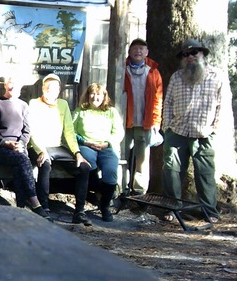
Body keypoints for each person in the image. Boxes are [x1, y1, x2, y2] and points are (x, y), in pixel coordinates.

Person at [162, 39, 225, 222]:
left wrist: (214, 129)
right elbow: (168, 103)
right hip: (177, 132)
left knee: (205, 174)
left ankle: (209, 212)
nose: (189, 57)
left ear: (202, 53)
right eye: (185, 54)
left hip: (204, 133)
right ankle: (172, 210)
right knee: (171, 171)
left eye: (193, 52)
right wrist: (167, 127)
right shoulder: (177, 77)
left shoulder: (216, 76)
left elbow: (222, 105)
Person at [28, 74, 92, 225]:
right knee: (45, 164)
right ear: (43, 88)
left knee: (84, 168)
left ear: (59, 90)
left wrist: (77, 153)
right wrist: (41, 150)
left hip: (57, 146)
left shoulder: (62, 104)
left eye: (55, 88)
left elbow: (69, 131)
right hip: (38, 145)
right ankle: (44, 209)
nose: (51, 90)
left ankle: (79, 212)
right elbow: (32, 131)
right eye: (48, 87)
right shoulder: (34, 103)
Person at [0, 76, 49, 218]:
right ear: (5, 85)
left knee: (19, 164)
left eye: (16, 84)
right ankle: (35, 203)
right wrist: (6, 143)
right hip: (0, 147)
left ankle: (21, 208)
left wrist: (21, 144)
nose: (12, 87)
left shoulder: (23, 105)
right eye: (10, 83)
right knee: (23, 160)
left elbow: (26, 131)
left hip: (18, 147)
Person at [73, 83, 125, 222]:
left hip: (106, 146)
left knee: (111, 172)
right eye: (92, 94)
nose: (95, 97)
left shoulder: (111, 112)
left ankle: (105, 206)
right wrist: (85, 142)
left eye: (99, 94)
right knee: (88, 164)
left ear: (104, 97)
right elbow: (72, 131)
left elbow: (118, 132)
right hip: (86, 145)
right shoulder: (80, 111)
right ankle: (94, 194)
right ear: (88, 95)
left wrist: (107, 143)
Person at [123, 38, 163, 194]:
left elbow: (158, 99)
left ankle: (139, 193)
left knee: (142, 160)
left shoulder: (153, 72)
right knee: (122, 157)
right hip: (124, 122)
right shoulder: (122, 69)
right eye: (135, 48)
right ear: (129, 52)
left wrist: (155, 121)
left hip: (145, 122)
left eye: (141, 49)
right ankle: (121, 188)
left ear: (146, 53)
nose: (138, 51)